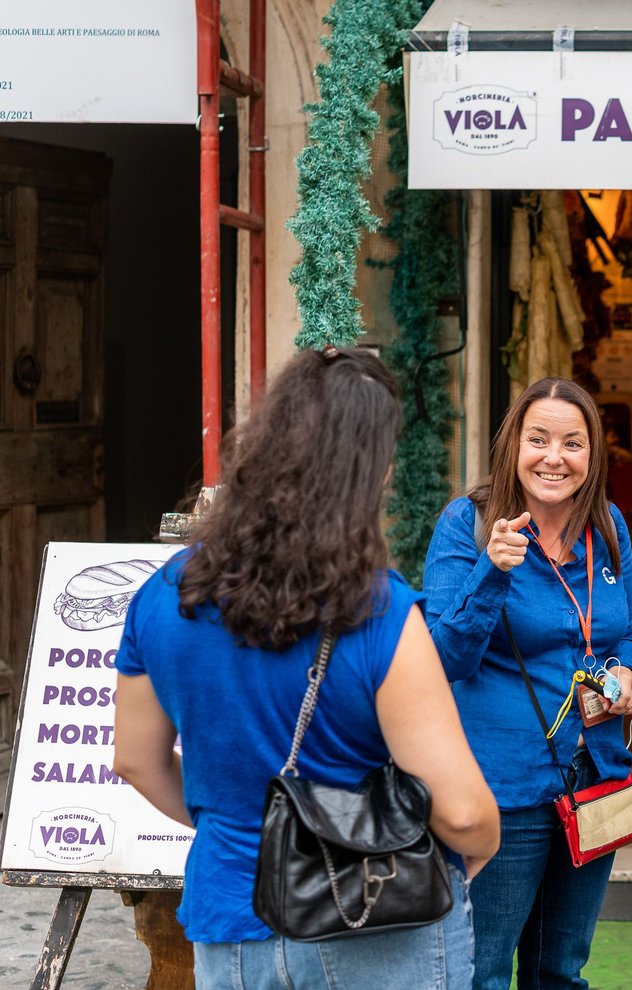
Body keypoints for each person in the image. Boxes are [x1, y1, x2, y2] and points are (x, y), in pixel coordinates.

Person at [113, 346, 500, 989]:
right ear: (369, 472)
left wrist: (253, 828)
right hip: (380, 921)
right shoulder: (382, 612)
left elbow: (135, 759)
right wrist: (474, 855)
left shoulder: (162, 595)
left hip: (232, 919)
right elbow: (462, 814)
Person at [423, 376, 632, 990]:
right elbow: (443, 660)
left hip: (595, 776)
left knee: (562, 968)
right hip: (504, 787)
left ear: (593, 454)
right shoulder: (466, 525)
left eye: (573, 443)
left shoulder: (608, 527)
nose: (555, 457)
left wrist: (628, 672)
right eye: (539, 439)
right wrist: (491, 572)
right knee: (485, 970)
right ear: (512, 445)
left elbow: (623, 633)